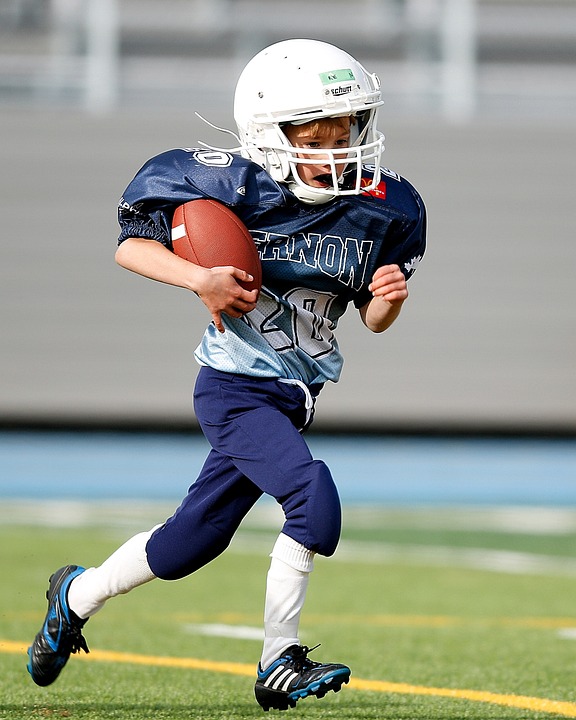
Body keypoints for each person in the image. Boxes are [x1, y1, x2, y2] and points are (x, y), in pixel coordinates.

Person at [27, 38, 426, 711]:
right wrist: (200, 280)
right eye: (317, 133)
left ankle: (75, 595)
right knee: (311, 496)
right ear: (271, 134)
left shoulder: (387, 207)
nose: (337, 147)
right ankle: (279, 660)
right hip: (236, 388)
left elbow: (368, 319)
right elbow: (131, 244)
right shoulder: (228, 183)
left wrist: (384, 302)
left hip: (297, 392)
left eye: (347, 128)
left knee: (193, 542)